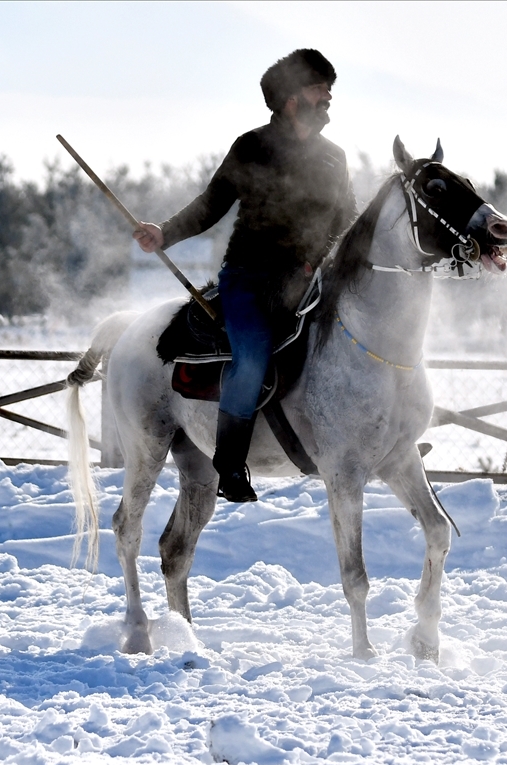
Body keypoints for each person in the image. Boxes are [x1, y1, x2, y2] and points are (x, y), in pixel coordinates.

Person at [133, 49, 356, 502]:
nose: (328, 96)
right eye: (319, 87)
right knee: (251, 357)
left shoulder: (335, 157)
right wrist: (165, 232)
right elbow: (211, 204)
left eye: (328, 87)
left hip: (311, 282)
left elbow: (346, 218)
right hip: (249, 279)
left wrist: (331, 261)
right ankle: (231, 464)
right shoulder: (251, 147)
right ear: (293, 98)